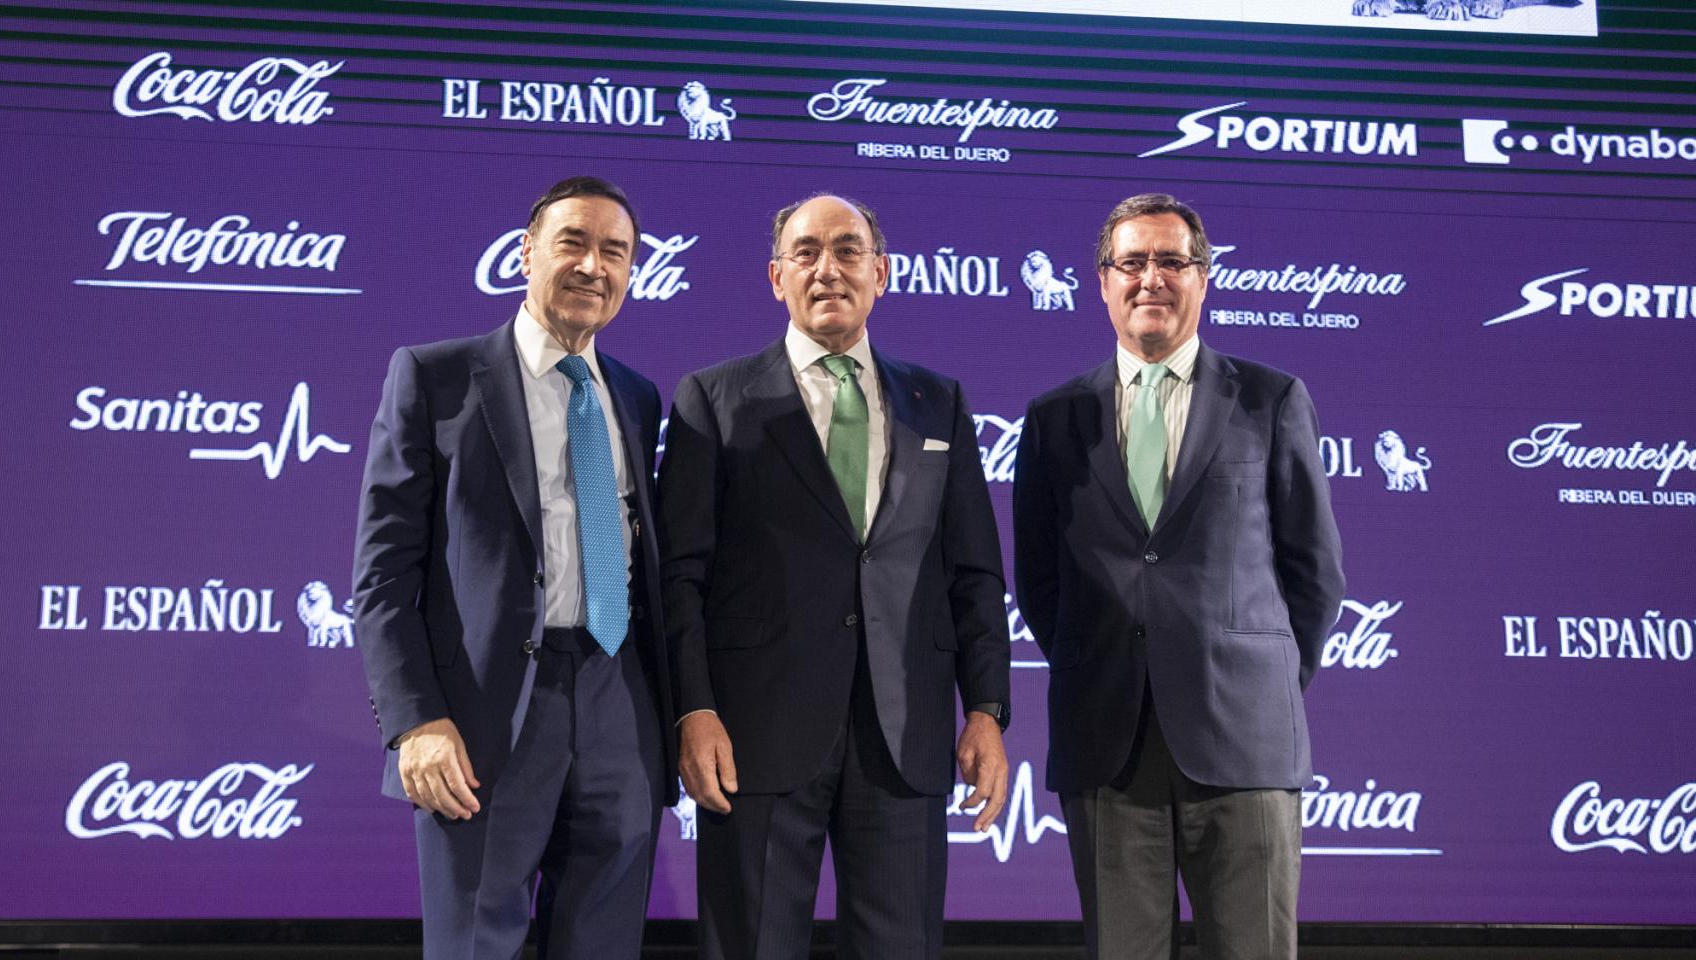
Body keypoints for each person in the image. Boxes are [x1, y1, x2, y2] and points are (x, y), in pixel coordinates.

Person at [659, 193, 1012, 960]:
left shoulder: (937, 403)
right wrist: (694, 709)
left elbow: (975, 575)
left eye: (848, 250)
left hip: (903, 739)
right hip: (754, 738)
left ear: (880, 273)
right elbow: (679, 577)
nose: (828, 269)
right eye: (807, 252)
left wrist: (986, 710)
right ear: (775, 276)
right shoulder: (713, 399)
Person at [1012, 193, 1345, 960]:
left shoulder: (1272, 399)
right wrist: (1106, 663)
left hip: (1245, 741)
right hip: (1107, 743)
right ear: (1103, 281)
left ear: (1204, 277)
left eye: (1172, 261)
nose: (1151, 278)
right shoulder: (1054, 418)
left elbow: (1314, 573)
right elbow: (1041, 582)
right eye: (1132, 262)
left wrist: (1256, 676)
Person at [352, 176, 675, 959]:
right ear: (527, 254)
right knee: (474, 945)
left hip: (618, 700)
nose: (593, 266)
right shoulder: (435, 377)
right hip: (482, 717)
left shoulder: (637, 396)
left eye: (615, 252)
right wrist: (414, 721)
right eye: (573, 243)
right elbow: (384, 573)